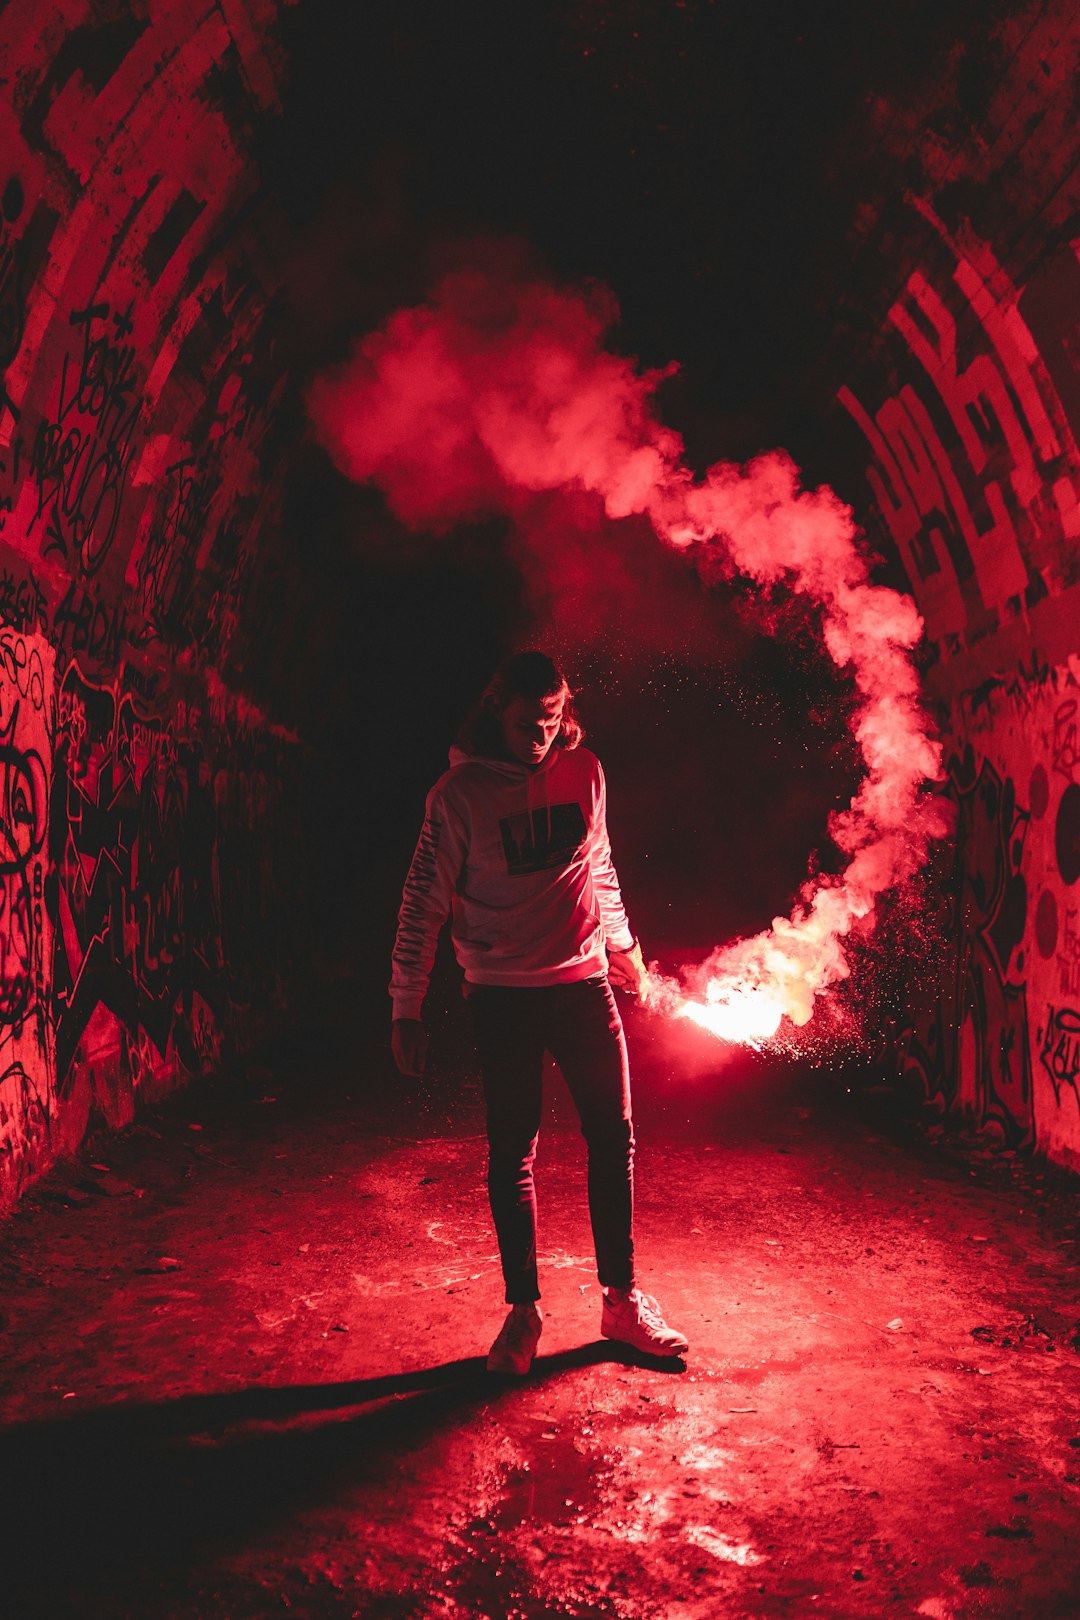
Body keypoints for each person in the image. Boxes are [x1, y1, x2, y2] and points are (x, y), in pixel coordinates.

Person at [390, 650, 688, 1375]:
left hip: (583, 985)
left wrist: (626, 948)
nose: (540, 737)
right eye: (528, 722)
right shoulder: (458, 797)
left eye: (552, 721)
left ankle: (621, 1303)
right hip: (501, 992)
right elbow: (421, 902)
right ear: (496, 710)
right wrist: (405, 1004)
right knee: (512, 1153)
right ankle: (523, 1315)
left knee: (612, 1138)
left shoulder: (585, 773)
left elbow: (601, 865)